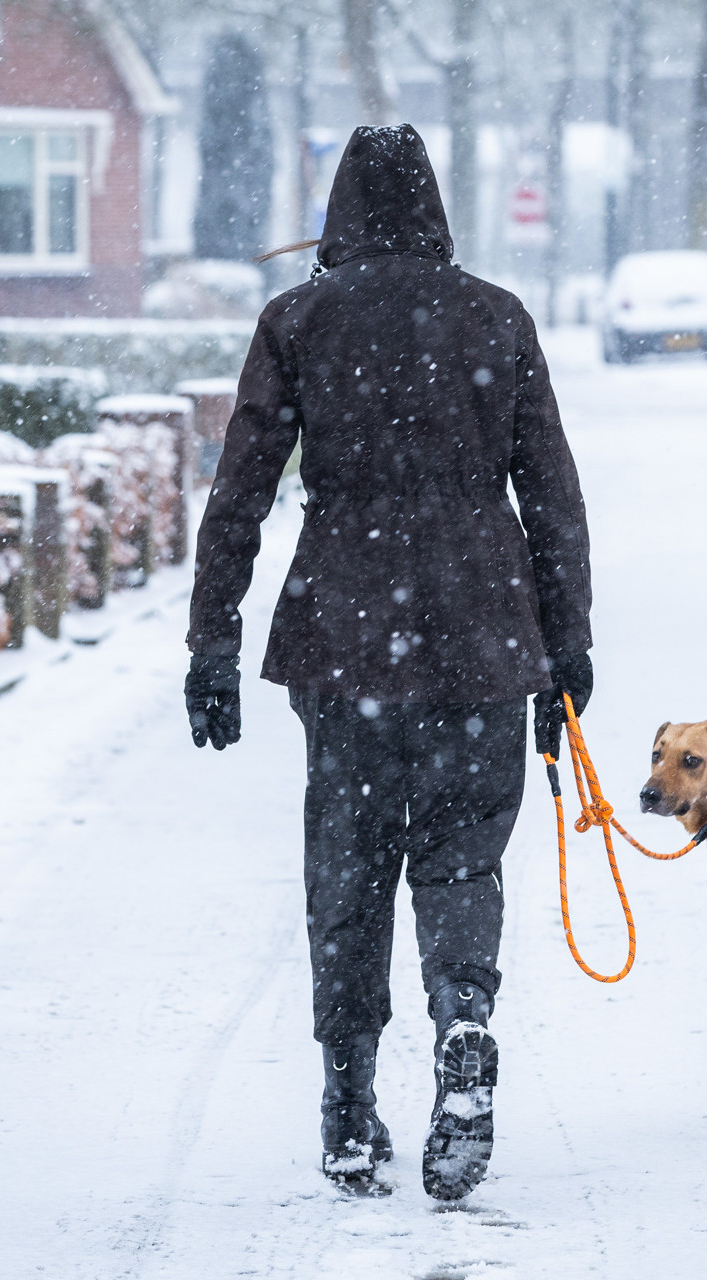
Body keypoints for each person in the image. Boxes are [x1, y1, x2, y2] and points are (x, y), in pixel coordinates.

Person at [184, 125, 593, 1200]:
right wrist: (567, 646)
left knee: (351, 868)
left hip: (347, 634)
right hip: (481, 631)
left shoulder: (300, 320)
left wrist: (212, 639)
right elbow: (550, 493)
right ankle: (464, 1018)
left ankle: (350, 1104)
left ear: (341, 213)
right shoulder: (496, 319)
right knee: (463, 855)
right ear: (436, 209)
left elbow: (241, 494)